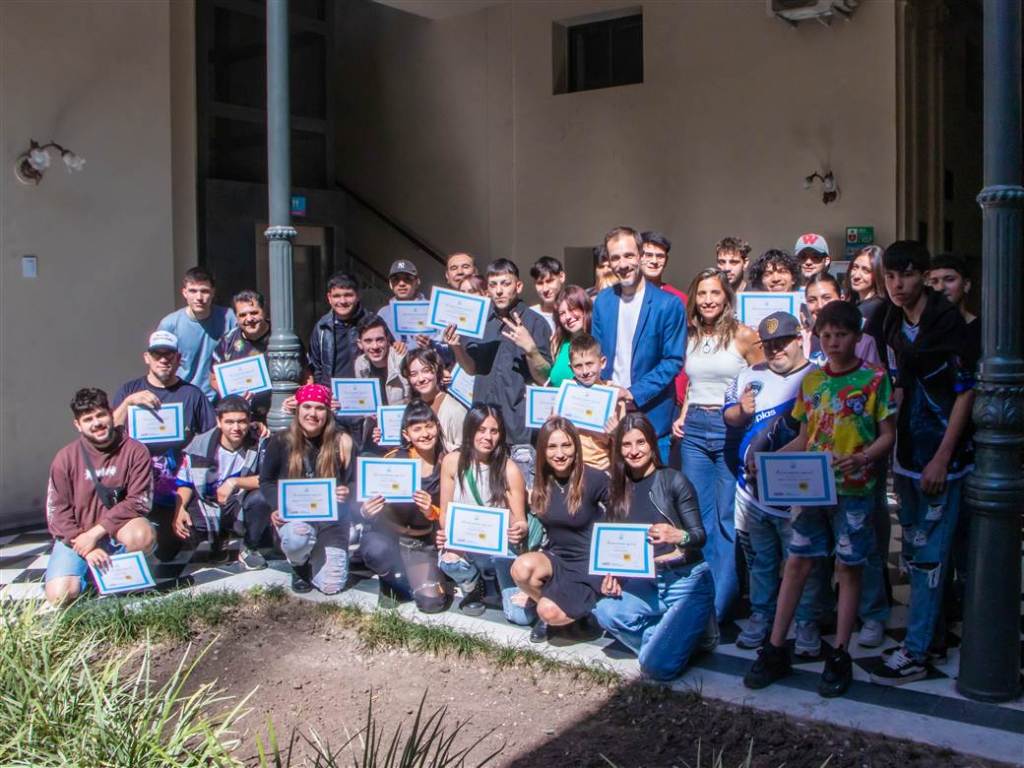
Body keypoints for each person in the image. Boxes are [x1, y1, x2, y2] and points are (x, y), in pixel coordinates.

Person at [745, 300, 895, 698]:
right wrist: (772, 460)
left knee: (848, 567)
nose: (833, 342)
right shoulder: (812, 381)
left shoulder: (874, 379)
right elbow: (805, 436)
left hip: (855, 487)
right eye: (826, 335)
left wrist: (863, 456)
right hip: (812, 488)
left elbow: (887, 435)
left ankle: (841, 650)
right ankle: (776, 646)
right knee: (796, 562)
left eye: (841, 335)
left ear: (856, 337)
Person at [871, 240, 975, 685]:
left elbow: (965, 392)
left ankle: (916, 653)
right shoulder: (890, 318)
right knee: (914, 552)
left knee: (932, 555)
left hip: (941, 458)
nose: (898, 284)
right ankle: (928, 636)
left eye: (908, 275)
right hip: (908, 453)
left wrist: (944, 456)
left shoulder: (949, 324)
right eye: (891, 276)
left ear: (924, 276)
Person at [724, 312, 822, 653]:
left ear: (799, 339)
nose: (776, 351)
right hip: (751, 493)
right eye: (769, 345)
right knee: (762, 561)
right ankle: (761, 615)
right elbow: (729, 417)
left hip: (797, 491)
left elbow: (817, 434)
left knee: (803, 560)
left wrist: (770, 461)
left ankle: (807, 621)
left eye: (782, 343)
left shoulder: (817, 377)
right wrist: (741, 409)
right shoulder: (748, 374)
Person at [592, 413, 713, 681]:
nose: (634, 451)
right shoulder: (617, 488)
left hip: (685, 581)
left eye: (640, 443)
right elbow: (615, 541)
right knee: (605, 612)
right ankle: (677, 639)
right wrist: (611, 573)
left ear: (652, 444)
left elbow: (699, 536)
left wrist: (677, 535)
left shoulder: (673, 480)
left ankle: (678, 639)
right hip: (647, 582)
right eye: (626, 445)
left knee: (654, 668)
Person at [670, 268, 762, 621]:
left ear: (727, 297)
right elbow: (694, 384)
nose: (708, 300)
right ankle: (701, 598)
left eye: (715, 293)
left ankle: (722, 605)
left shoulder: (743, 336)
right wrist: (684, 411)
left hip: (729, 428)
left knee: (726, 518)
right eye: (702, 294)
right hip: (694, 430)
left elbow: (761, 378)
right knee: (700, 519)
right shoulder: (689, 335)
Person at [44, 388, 155, 606]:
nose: (96, 423)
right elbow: (57, 512)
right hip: (78, 536)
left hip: (118, 529)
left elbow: (139, 501)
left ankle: (124, 576)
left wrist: (95, 533)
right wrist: (86, 545)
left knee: (142, 535)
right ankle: (91, 577)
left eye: (100, 415)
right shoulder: (65, 458)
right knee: (60, 595)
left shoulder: (135, 450)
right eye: (88, 419)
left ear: (111, 414)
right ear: (78, 425)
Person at [444, 258, 551, 484]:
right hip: (484, 431)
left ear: (518, 286)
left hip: (518, 432)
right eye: (493, 285)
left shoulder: (535, 323)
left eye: (505, 283)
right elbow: (471, 368)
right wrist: (455, 346)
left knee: (522, 499)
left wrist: (531, 349)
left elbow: (544, 378)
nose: (499, 290)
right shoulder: (479, 321)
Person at [112, 330, 215, 561]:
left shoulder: (192, 394)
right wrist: (129, 403)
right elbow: (109, 434)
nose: (163, 359)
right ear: (146, 357)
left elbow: (211, 439)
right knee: (143, 538)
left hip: (179, 488)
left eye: (169, 354)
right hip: (138, 485)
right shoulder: (129, 390)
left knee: (173, 548)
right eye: (157, 354)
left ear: (178, 359)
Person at [592, 226, 687, 462]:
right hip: (610, 418)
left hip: (652, 418)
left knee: (655, 494)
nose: (623, 264)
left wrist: (633, 393)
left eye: (628, 255)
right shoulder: (602, 302)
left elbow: (673, 360)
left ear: (641, 255)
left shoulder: (668, 305)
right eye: (615, 258)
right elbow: (595, 354)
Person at [510, 418, 608, 643]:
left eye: (566, 445)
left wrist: (614, 568)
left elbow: (622, 518)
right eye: (552, 447)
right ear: (542, 450)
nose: (560, 453)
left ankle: (579, 614)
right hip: (558, 558)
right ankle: (559, 607)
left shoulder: (595, 478)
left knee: (548, 611)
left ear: (576, 447)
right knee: (521, 568)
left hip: (589, 564)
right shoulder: (542, 483)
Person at [436, 405, 533, 624]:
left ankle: (499, 582)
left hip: (500, 550)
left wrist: (518, 530)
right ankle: (473, 584)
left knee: (520, 616)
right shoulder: (453, 462)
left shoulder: (509, 470)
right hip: (467, 544)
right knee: (449, 561)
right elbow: (445, 511)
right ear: (470, 430)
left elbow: (521, 521)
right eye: (481, 429)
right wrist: (447, 534)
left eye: (494, 431)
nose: (487, 437)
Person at [261, 384, 356, 594]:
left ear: (328, 412)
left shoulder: (343, 441)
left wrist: (347, 491)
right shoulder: (280, 441)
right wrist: (277, 506)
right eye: (307, 407)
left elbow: (355, 482)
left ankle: (318, 554)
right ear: (298, 409)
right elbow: (266, 481)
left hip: (332, 521)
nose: (313, 413)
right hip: (297, 518)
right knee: (298, 537)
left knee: (332, 587)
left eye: (320, 408)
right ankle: (299, 564)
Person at [358, 401, 451, 613]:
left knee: (432, 604)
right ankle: (389, 579)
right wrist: (366, 511)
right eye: (417, 429)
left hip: (423, 541)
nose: (425, 434)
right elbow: (369, 501)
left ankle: (416, 574)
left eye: (429, 426)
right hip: (391, 535)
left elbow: (453, 511)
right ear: (406, 434)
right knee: (375, 549)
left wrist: (432, 511)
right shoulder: (393, 460)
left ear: (438, 427)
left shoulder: (447, 462)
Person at [173, 395, 270, 570]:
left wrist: (234, 482)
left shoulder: (260, 442)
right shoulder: (199, 445)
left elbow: (268, 479)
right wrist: (179, 509)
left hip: (239, 500)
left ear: (249, 421)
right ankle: (218, 540)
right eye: (229, 422)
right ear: (219, 422)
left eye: (241, 422)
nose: (236, 428)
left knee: (261, 498)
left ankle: (249, 547)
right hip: (207, 501)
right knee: (185, 530)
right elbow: (185, 482)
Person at [210, 289, 280, 425]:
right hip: (241, 421)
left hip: (278, 416)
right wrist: (232, 396)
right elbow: (213, 378)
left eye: (254, 312)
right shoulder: (227, 342)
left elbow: (307, 377)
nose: (249, 319)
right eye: (242, 315)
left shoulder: (280, 337)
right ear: (236, 317)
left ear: (264, 311)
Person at [309, 272, 387, 385]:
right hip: (332, 397)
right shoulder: (322, 327)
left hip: (367, 390)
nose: (343, 301)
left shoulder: (374, 322)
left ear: (358, 296)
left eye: (348, 295)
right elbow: (316, 367)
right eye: (337, 296)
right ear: (329, 298)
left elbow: (389, 355)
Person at [640, 230, 689, 407]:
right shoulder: (623, 298)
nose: (654, 261)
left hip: (671, 393)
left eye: (660, 256)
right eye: (648, 255)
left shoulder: (679, 300)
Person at [566, 333, 625, 471]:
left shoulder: (614, 396)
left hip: (601, 468)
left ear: (602, 362)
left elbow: (623, 443)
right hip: (571, 466)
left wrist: (616, 433)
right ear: (571, 368)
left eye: (589, 364)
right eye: (578, 366)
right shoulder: (566, 393)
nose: (585, 371)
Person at [803, 273, 880, 367]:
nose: (820, 306)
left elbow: (872, 377)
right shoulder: (800, 340)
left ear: (841, 298)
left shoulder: (862, 341)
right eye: (812, 300)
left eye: (827, 298)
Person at [401, 347, 466, 453]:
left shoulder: (455, 409)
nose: (421, 379)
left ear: (436, 370)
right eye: (413, 374)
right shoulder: (410, 407)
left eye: (426, 371)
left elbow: (465, 452)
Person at [927, 252, 980, 367]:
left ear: (966, 285)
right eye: (934, 282)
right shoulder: (924, 330)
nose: (940, 288)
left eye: (949, 279)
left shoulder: (982, 331)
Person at [845, 245, 889, 362]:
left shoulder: (874, 308)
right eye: (855, 267)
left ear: (878, 274)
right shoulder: (856, 304)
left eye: (866, 270)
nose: (856, 275)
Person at [547, 284, 593, 388]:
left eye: (572, 309)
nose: (568, 317)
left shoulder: (598, 342)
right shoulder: (559, 343)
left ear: (584, 308)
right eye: (562, 313)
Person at [529, 256, 566, 332]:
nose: (545, 289)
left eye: (550, 281)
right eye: (540, 283)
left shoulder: (573, 314)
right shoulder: (530, 315)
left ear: (561, 277)